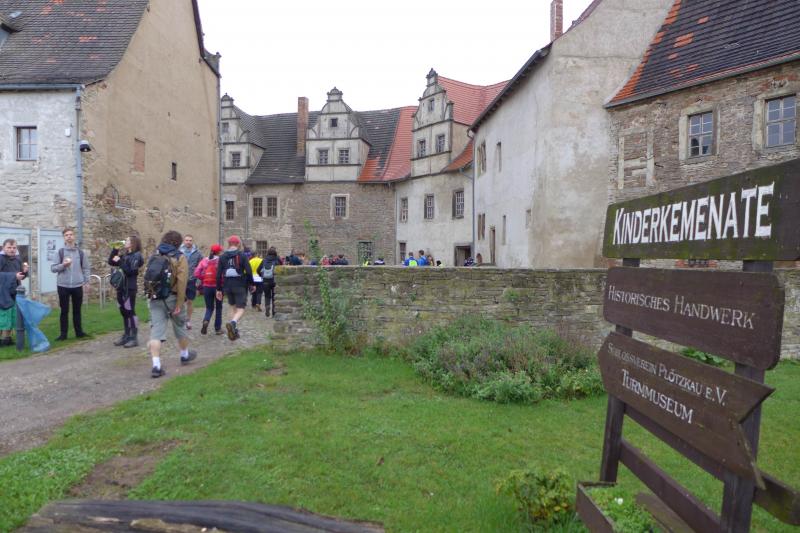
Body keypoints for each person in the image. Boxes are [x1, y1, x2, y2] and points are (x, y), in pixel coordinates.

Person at [146, 230, 195, 378]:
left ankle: (156, 365)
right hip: (172, 297)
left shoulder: (155, 254)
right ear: (178, 242)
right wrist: (180, 302)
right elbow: (182, 282)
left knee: (156, 332)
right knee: (180, 326)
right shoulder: (180, 257)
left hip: (155, 297)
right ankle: (184, 354)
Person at [51, 228, 90, 341]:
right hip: (63, 285)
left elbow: (86, 268)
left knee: (77, 310)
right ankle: (63, 334)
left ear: (74, 236)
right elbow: (53, 268)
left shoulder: (80, 253)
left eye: (71, 234)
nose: (69, 236)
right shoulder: (60, 252)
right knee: (64, 311)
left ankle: (79, 332)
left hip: (77, 285)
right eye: (66, 235)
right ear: (64, 238)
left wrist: (86, 282)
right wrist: (63, 265)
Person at [216, 235, 254, 340]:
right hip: (240, 285)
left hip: (227, 285)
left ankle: (234, 331)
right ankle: (233, 323)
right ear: (238, 244)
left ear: (228, 244)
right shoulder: (242, 255)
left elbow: (218, 275)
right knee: (241, 309)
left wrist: (218, 289)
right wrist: (252, 284)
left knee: (232, 307)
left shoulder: (222, 257)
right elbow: (249, 271)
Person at [108, 236, 144, 348]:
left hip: (129, 288)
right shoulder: (125, 255)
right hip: (121, 288)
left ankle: (134, 337)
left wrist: (120, 262)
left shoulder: (137, 256)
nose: (125, 242)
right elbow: (111, 261)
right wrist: (115, 249)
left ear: (133, 243)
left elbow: (131, 272)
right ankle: (126, 335)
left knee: (130, 312)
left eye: (127, 240)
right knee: (123, 311)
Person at [0, 239, 28, 346]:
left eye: (14, 248)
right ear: (3, 248)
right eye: (9, 247)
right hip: (2, 292)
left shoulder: (17, 259)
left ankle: (7, 338)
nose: (12, 250)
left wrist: (24, 272)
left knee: (11, 315)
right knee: (3, 315)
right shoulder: (0, 258)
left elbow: (20, 275)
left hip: (14, 290)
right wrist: (13, 276)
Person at [194, 243, 224, 335]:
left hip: (206, 287)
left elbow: (196, 273)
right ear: (219, 252)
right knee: (219, 308)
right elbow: (224, 274)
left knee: (209, 307)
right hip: (218, 287)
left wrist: (204, 278)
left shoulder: (204, 260)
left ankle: (206, 320)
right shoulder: (221, 260)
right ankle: (218, 329)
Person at [179, 234, 202, 330]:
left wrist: (199, 280)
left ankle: (188, 320)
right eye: (187, 240)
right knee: (180, 301)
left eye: (190, 240)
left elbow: (201, 267)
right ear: (184, 241)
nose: (188, 242)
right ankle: (180, 320)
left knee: (190, 301)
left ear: (192, 241)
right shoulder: (179, 251)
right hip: (180, 280)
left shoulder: (198, 253)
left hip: (192, 280)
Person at [261, 246, 281, 318]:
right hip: (274, 280)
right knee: (274, 297)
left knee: (267, 296)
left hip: (265, 281)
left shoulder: (264, 260)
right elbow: (281, 269)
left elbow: (258, 269)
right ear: (275, 253)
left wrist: (262, 276)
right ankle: (274, 312)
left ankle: (267, 306)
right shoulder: (277, 260)